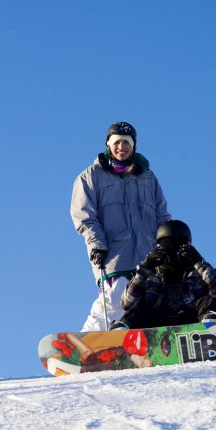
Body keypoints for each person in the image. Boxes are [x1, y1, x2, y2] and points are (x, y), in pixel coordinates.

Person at [70, 121, 171, 331]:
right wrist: (97, 244)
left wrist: (167, 244)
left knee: (148, 304)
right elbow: (84, 216)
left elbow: (162, 214)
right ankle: (88, 343)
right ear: (109, 145)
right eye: (116, 143)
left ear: (133, 146)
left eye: (126, 143)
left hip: (147, 255)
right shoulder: (91, 176)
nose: (121, 147)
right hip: (114, 254)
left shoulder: (147, 178)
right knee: (115, 299)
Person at [110, 219, 216, 330]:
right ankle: (122, 331)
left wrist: (199, 263)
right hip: (156, 326)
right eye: (167, 245)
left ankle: (210, 326)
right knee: (141, 307)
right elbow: (127, 304)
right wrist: (145, 269)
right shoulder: (150, 276)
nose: (173, 251)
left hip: (192, 323)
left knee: (207, 301)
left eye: (179, 246)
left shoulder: (198, 273)